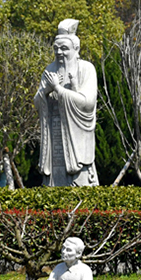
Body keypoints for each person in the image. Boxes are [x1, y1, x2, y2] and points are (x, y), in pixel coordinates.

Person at [34, 19, 99, 187]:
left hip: (76, 137)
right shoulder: (49, 70)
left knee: (79, 183)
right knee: (54, 180)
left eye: (64, 48)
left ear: (75, 49)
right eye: (56, 49)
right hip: (54, 132)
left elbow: (88, 102)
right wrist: (46, 90)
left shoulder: (86, 69)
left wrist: (59, 89)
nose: (59, 53)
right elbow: (37, 101)